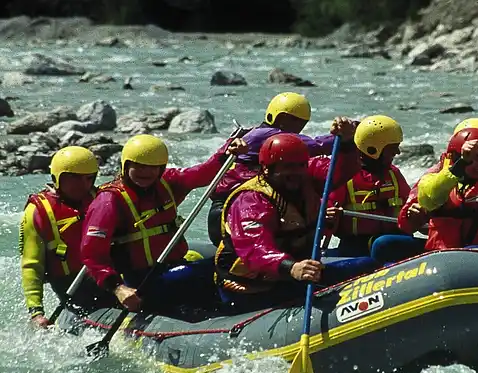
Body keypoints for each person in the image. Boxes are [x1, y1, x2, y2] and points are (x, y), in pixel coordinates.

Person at [214, 118, 380, 313]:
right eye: (287, 167)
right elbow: (255, 249)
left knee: (369, 266)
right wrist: (292, 267)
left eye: (300, 165)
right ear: (267, 168)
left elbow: (341, 171)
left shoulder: (306, 177)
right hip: (251, 288)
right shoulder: (251, 200)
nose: (296, 173)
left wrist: (346, 142)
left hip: (299, 274)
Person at [81, 134, 248, 314]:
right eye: (138, 166)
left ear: (161, 168)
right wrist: (118, 288)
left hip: (171, 268)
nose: (145, 172)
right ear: (126, 165)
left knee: (222, 264)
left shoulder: (167, 182)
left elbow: (203, 173)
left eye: (152, 167)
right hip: (142, 282)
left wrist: (226, 150)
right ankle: (233, 311)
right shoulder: (108, 201)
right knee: (218, 267)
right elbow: (92, 254)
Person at [207, 92, 339, 245]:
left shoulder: (253, 133)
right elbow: (316, 146)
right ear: (281, 119)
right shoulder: (266, 136)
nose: (299, 129)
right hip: (228, 213)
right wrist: (348, 137)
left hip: (236, 210)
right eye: (297, 122)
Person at [19, 147, 114, 328]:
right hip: (72, 288)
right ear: (57, 177)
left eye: (88, 178)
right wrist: (36, 312)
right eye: (73, 178)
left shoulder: (103, 199)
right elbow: (31, 265)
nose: (82, 185)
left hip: (109, 279)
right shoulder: (37, 211)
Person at [325, 115, 421, 261]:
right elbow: (321, 225)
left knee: (385, 244)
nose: (398, 153)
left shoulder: (393, 174)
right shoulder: (345, 177)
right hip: (357, 248)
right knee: (382, 244)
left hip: (394, 243)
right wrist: (330, 218)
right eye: (392, 148)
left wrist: (417, 216)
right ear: (373, 149)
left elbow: (412, 213)